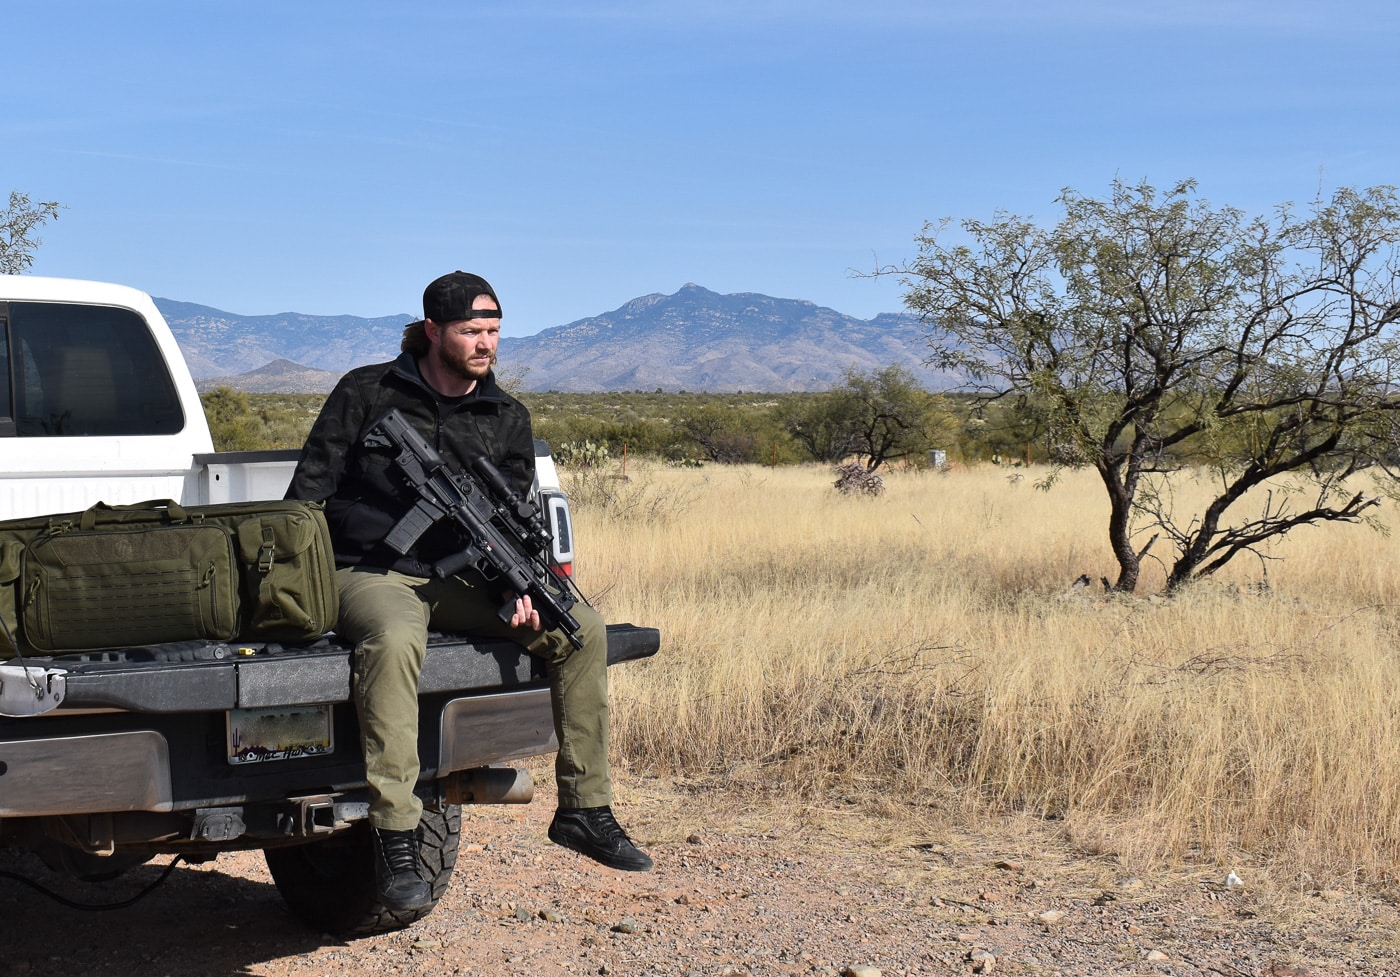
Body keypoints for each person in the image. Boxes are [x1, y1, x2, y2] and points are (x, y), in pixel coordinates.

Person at [287, 271, 652, 911]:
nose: (486, 344)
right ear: (433, 331)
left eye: (493, 332)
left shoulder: (504, 415)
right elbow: (306, 498)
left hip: (461, 577)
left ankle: (585, 809)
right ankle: (397, 838)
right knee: (395, 641)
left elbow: (509, 520)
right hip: (371, 571)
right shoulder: (368, 392)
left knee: (582, 630)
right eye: (471, 331)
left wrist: (516, 591)